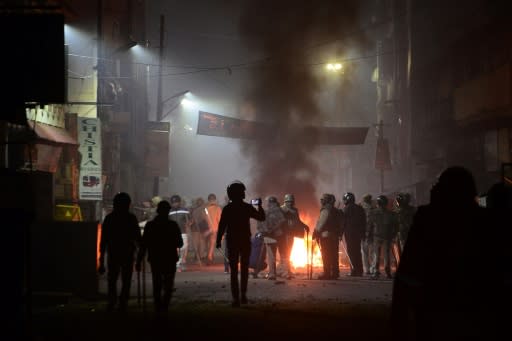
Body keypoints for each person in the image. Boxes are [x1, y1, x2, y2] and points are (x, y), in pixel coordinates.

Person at [391, 166, 501, 340]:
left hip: (436, 304)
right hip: (473, 308)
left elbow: (408, 270)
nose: (433, 188)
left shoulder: (427, 219)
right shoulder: (485, 220)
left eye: (438, 185)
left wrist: (399, 313)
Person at [216, 181, 265, 307]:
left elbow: (222, 225)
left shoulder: (228, 208)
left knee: (233, 271)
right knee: (244, 269)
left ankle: (235, 299)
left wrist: (218, 240)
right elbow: (261, 217)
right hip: (244, 241)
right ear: (241, 193)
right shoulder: (247, 207)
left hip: (232, 241)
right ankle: (243, 295)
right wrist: (260, 206)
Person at [136, 200, 183, 312]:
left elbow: (144, 244)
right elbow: (179, 243)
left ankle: (158, 306)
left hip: (155, 258)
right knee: (168, 284)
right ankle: (165, 306)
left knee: (157, 283)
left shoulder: (150, 225)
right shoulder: (173, 225)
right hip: (169, 258)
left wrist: (139, 260)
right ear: (168, 212)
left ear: (157, 211)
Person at [98, 192, 141, 312]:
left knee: (112, 279)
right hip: (127, 252)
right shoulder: (130, 218)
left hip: (114, 253)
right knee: (125, 279)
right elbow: (137, 237)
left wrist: (101, 261)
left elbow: (103, 241)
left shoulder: (110, 218)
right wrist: (140, 254)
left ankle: (113, 301)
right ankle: (122, 301)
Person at [368, 195, 398, 279]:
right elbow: (395, 226)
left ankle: (375, 272)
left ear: (378, 203)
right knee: (386, 255)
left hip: (377, 236)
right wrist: (393, 235)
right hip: (387, 236)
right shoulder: (391, 214)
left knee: (376, 255)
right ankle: (388, 272)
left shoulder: (373, 213)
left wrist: (368, 236)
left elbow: (369, 225)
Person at [257, 196, 287, 280]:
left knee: (271, 256)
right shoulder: (279, 210)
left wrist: (266, 231)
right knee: (283, 254)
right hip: (279, 236)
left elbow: (260, 224)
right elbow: (283, 221)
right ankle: (286, 272)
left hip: (269, 236)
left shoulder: (265, 211)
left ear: (269, 203)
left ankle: (272, 274)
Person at [313, 193, 342, 280]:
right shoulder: (336, 211)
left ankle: (327, 273)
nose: (321, 201)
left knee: (326, 255)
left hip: (326, 236)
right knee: (334, 255)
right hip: (334, 236)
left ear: (326, 200)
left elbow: (321, 222)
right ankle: (335, 273)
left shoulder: (326, 210)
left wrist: (316, 232)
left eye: (323, 199)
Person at [281, 193, 309, 278]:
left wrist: (304, 226)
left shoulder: (295, 210)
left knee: (288, 252)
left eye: (291, 202)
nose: (290, 203)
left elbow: (298, 221)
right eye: (288, 202)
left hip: (291, 234)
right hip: (283, 234)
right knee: (284, 253)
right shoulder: (281, 209)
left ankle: (286, 271)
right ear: (285, 201)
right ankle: (284, 271)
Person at [340, 192, 366, 277]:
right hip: (358, 233)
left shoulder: (346, 209)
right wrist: (363, 233)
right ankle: (360, 271)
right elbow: (364, 222)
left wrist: (340, 233)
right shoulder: (360, 208)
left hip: (350, 233)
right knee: (358, 251)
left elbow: (343, 222)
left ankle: (353, 271)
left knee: (351, 252)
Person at [168, 194, 192, 272]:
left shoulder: (185, 210)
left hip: (183, 232)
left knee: (183, 248)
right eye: (173, 203)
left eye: (176, 202)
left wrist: (189, 223)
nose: (175, 204)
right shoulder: (169, 211)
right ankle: (177, 264)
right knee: (176, 248)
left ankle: (182, 262)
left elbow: (191, 220)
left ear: (179, 202)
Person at [204, 193, 222, 265]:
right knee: (212, 244)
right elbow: (220, 220)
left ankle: (209, 256)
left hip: (207, 229)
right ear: (215, 200)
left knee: (208, 244)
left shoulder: (206, 209)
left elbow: (205, 219)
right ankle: (209, 256)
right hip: (214, 228)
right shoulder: (218, 208)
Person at [360, 194, 374, 275]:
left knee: (364, 252)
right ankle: (372, 268)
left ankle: (367, 269)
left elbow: (367, 222)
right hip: (372, 233)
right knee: (372, 252)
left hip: (364, 232)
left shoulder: (362, 209)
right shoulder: (373, 208)